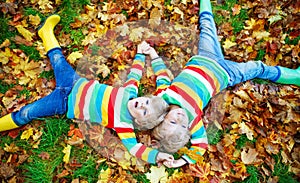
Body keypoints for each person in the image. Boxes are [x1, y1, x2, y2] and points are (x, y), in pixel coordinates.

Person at [141, 0, 300, 168]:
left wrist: (153, 54)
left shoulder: (164, 96)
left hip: (205, 56)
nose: (180, 119)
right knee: (257, 67)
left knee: (207, 25)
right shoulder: (192, 118)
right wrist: (181, 161)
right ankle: (295, 77)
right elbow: (200, 146)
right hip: (227, 73)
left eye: (173, 122)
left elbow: (162, 76)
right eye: (182, 125)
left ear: (162, 117)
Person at [0, 15, 173, 165]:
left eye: (144, 112)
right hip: (74, 82)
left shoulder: (124, 125)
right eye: (147, 102)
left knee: (28, 113)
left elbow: (135, 148)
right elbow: (135, 74)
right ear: (145, 97)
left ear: (140, 123)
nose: (141, 105)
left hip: (63, 103)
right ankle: (45, 32)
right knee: (58, 58)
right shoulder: (130, 92)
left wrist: (157, 156)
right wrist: (141, 54)